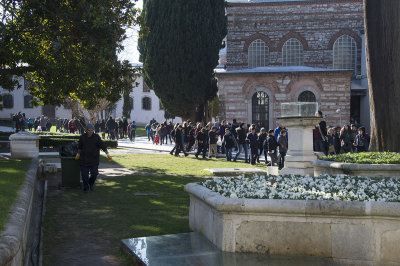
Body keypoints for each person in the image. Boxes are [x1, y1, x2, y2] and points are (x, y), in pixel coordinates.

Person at [75, 124, 112, 193]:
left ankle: (91, 183)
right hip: (84, 159)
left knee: (94, 173)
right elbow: (80, 147)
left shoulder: (96, 137)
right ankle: (86, 188)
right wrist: (78, 154)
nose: (90, 132)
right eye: (89, 130)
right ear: (86, 130)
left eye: (92, 130)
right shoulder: (82, 137)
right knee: (84, 175)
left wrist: (108, 154)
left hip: (94, 160)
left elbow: (103, 146)